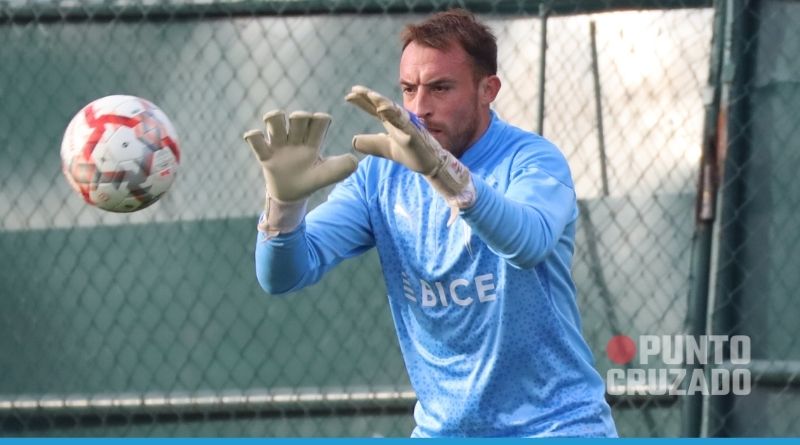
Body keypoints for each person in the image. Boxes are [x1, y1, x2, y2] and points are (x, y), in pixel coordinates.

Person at [243, 9, 618, 438]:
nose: (420, 108)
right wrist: (285, 206)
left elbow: (527, 243)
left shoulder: (532, 160)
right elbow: (283, 275)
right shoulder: (380, 176)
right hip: (441, 432)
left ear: (488, 89)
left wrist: (444, 173)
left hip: (556, 427)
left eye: (440, 88)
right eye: (409, 89)